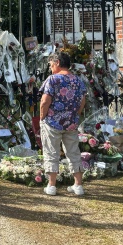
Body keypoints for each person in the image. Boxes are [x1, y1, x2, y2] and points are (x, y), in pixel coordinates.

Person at [39, 51, 87, 196]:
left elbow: (45, 101)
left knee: (51, 152)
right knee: (73, 152)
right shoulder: (77, 80)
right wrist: (74, 116)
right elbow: (82, 100)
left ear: (58, 62)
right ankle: (78, 185)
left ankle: (52, 185)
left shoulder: (53, 80)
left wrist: (42, 117)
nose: (51, 68)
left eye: (51, 65)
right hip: (71, 123)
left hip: (52, 122)